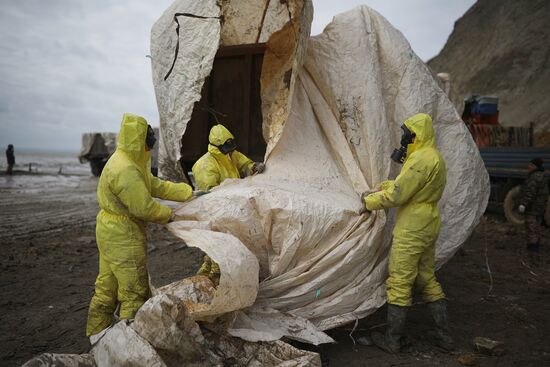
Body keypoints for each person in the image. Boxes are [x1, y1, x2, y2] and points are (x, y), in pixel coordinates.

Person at [86, 113, 194, 338]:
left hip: (109, 231)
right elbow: (143, 208)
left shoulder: (129, 159)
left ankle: (97, 334)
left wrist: (187, 193)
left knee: (107, 286)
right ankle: (131, 345)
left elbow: (153, 185)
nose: (152, 141)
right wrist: (170, 215)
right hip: (123, 233)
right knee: (134, 291)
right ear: (138, 138)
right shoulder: (126, 169)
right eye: (150, 136)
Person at [361, 113, 453, 353]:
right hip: (430, 221)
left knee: (400, 280)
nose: (404, 139)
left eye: (407, 134)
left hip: (413, 225)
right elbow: (411, 188)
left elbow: (398, 196)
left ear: (416, 134)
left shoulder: (420, 159)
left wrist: (368, 201)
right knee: (426, 277)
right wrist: (387, 184)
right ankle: (443, 335)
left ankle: (392, 340)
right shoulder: (435, 157)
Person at [192, 124, 265, 282]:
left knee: (216, 247)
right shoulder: (205, 165)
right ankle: (218, 280)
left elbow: (243, 163)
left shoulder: (230, 154)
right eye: (227, 147)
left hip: (229, 205)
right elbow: (210, 193)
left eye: (231, 147)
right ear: (216, 146)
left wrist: (253, 167)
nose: (231, 151)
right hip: (214, 209)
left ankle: (205, 277)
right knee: (221, 245)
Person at [518, 158, 548, 254]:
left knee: (531, 226)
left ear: (535, 166)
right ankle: (536, 245)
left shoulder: (534, 177)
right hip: (540, 206)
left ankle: (532, 248)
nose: (528, 166)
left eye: (530, 165)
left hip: (533, 207)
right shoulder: (542, 176)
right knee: (537, 226)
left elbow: (530, 193)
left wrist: (523, 204)